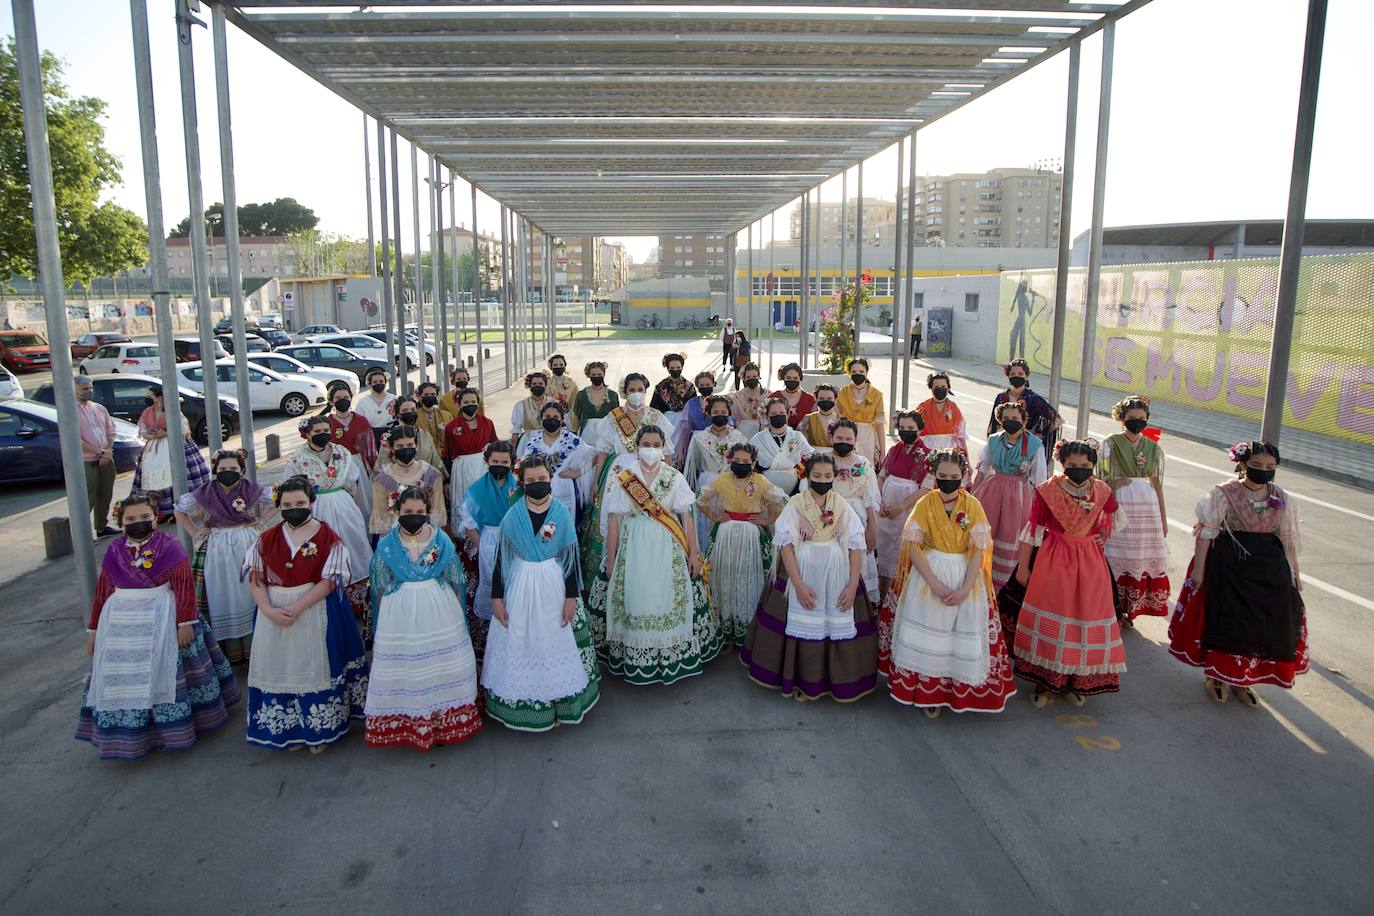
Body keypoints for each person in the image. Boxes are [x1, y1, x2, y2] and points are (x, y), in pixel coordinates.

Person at [76, 493, 239, 759]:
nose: (137, 522)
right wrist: (94, 630)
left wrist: (185, 623)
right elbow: (103, 590)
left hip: (162, 615)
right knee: (126, 678)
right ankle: (132, 734)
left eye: (144, 517)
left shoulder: (170, 546)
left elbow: (184, 586)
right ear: (121, 521)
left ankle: (172, 730)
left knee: (164, 675)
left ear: (155, 518)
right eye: (130, 518)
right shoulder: (115, 550)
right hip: (121, 625)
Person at [1168, 442, 1306, 706]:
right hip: (1229, 567)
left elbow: (1287, 538)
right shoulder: (1224, 493)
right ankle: (1218, 676)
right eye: (1256, 466)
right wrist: (1199, 570)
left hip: (1269, 572)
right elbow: (1206, 532)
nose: (1263, 471)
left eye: (1269, 467)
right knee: (1228, 622)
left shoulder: (1282, 497)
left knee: (1259, 626)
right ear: (1242, 465)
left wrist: (1295, 573)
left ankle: (1244, 679)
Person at [880, 450, 1015, 716]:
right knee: (929, 635)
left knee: (957, 637)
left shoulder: (973, 505)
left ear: (964, 476)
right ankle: (929, 693)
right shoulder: (925, 503)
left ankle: (953, 693)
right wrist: (935, 583)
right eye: (942, 476)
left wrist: (965, 587)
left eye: (954, 477)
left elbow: (978, 549)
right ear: (935, 475)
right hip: (928, 576)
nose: (948, 481)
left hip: (964, 576)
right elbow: (913, 546)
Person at [243, 476, 368, 751]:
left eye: (300, 502)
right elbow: (256, 577)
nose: (294, 508)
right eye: (287, 504)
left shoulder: (328, 537)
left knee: (314, 664)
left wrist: (298, 607)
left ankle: (319, 728)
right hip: (274, 611)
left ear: (312, 502)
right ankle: (290, 728)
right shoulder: (266, 538)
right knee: (282, 666)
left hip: (315, 608)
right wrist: (266, 610)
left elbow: (330, 580)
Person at [741, 453, 877, 702]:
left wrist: (852, 584)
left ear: (834, 476)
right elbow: (786, 546)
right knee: (801, 625)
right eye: (817, 476)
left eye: (828, 476)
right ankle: (802, 680)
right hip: (802, 573)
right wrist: (798, 585)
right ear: (807, 476)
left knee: (831, 625)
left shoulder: (841, 505)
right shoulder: (795, 504)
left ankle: (831, 679)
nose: (823, 480)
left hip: (837, 576)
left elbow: (856, 546)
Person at [592, 425, 721, 685]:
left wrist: (694, 555)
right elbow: (614, 520)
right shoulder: (625, 478)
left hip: (668, 546)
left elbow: (687, 517)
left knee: (666, 597)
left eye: (655, 445)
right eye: (646, 444)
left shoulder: (674, 477)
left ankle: (667, 657)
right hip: (633, 547)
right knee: (637, 596)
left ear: (663, 448)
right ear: (637, 447)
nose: (650, 449)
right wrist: (612, 556)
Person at [482, 456, 600, 731]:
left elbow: (570, 559)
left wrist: (571, 598)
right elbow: (502, 559)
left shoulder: (560, 512)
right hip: (519, 585)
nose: (538, 485)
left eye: (542, 480)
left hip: (553, 586)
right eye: (531, 481)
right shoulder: (513, 514)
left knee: (554, 642)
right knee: (522, 642)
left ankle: (560, 705)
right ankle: (525, 705)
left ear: (550, 480)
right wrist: (497, 599)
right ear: (522, 483)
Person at [1004, 439, 1125, 707]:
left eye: (1084, 465)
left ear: (1093, 465)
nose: (1079, 469)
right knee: (1057, 617)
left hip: (1090, 563)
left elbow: (1115, 517)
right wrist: (1023, 567)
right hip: (1054, 558)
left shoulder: (1102, 490)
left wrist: (1103, 536)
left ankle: (1075, 680)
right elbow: (1031, 530)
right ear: (1063, 464)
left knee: (1083, 619)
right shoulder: (1048, 490)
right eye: (1072, 465)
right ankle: (1045, 682)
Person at [366, 486, 481, 749]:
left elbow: (455, 578)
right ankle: (411, 721)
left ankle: (443, 721)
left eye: (420, 512)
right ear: (397, 512)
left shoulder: (441, 540)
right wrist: (386, 620)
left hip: (438, 608)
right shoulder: (386, 545)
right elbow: (380, 583)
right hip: (401, 612)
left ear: (428, 512)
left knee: (440, 663)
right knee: (409, 666)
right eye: (408, 512)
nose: (414, 516)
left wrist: (458, 613)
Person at [173, 448, 276, 665]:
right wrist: (194, 532)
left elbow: (277, 499)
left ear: (241, 470)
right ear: (214, 470)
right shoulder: (205, 492)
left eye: (233, 468)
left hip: (246, 540)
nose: (227, 472)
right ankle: (225, 652)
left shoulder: (251, 489)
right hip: (216, 546)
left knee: (247, 590)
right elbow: (179, 511)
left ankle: (255, 643)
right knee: (220, 590)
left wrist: (262, 521)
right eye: (222, 469)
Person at [582, 373, 673, 591]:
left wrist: (668, 477)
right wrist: (596, 481)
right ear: (624, 392)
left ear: (646, 390)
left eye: (640, 389)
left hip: (651, 471)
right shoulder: (614, 417)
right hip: (619, 474)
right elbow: (602, 451)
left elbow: (667, 451)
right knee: (614, 516)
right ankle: (612, 563)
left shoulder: (656, 416)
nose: (636, 394)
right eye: (632, 390)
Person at [284, 415, 374, 629]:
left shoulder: (341, 452)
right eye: (317, 431)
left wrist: (354, 503)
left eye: (326, 430)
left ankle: (359, 602)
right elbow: (289, 485)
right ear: (307, 433)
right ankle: (326, 598)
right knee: (321, 550)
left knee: (354, 545)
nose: (323, 434)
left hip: (343, 503)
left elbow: (353, 479)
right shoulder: (298, 458)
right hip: (316, 507)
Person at [697, 443, 785, 649]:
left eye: (746, 462)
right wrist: (714, 516)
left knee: (748, 578)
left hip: (751, 535)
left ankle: (748, 634)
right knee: (723, 576)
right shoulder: (722, 480)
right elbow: (701, 500)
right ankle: (725, 633)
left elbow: (780, 503)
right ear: (730, 461)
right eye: (737, 461)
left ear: (754, 463)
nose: (741, 464)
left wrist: (766, 520)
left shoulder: (761, 481)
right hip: (725, 534)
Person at [1099, 395, 1170, 626]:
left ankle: (1131, 610)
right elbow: (1101, 476)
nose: (1137, 422)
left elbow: (1158, 483)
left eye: (1141, 418)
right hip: (1120, 502)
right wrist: (1113, 484)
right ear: (1122, 419)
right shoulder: (1110, 443)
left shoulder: (1153, 448)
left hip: (1146, 506)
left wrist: (1163, 519)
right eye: (1132, 418)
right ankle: (1113, 609)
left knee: (1138, 556)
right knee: (1117, 554)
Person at [972, 401, 1047, 590]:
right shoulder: (994, 440)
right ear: (1000, 420)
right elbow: (983, 470)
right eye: (1006, 418)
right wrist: (971, 497)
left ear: (1023, 420)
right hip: (992, 492)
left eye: (1015, 418)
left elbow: (1040, 480)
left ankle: (1003, 586)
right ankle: (980, 579)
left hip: (1018, 497)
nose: (1010, 421)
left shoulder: (1035, 445)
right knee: (986, 532)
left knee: (1011, 535)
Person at [456, 442, 521, 658]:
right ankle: (488, 638)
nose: (500, 466)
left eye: (505, 462)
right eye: (495, 462)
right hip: (488, 538)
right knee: (490, 583)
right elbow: (468, 521)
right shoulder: (476, 489)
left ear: (512, 463)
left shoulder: (519, 487)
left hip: (515, 540)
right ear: (487, 461)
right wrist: (483, 545)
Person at [802, 419, 880, 600]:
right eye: (839, 437)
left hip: (856, 519)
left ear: (855, 440)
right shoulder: (820, 460)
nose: (843, 442)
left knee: (854, 560)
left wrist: (873, 527)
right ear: (831, 437)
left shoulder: (863, 464)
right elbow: (807, 492)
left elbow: (871, 498)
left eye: (848, 438)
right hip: (825, 517)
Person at [132, 384, 210, 521]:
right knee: (155, 477)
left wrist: (166, 433)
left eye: (150, 396)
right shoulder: (147, 412)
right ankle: (160, 511)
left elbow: (183, 431)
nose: (147, 399)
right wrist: (154, 435)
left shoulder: (173, 411)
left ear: (159, 397)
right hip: (154, 449)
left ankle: (182, 508)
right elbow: (142, 431)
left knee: (179, 476)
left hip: (175, 446)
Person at [876, 409, 931, 599]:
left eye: (911, 428)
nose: (906, 431)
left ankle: (895, 594)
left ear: (919, 429)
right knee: (882, 545)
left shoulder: (927, 455)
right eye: (903, 427)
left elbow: (926, 488)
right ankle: (879, 592)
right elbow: (882, 475)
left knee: (900, 548)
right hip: (886, 504)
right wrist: (880, 499)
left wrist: (902, 507)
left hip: (908, 507)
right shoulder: (894, 450)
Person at [683, 394, 749, 551]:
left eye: (723, 411)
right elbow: (695, 465)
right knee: (706, 522)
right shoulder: (699, 438)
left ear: (729, 413)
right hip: (707, 483)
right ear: (709, 413)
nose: (720, 415)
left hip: (732, 484)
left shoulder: (738, 437)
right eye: (715, 411)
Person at [516, 401, 590, 519]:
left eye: (555, 417)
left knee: (565, 526)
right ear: (541, 419)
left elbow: (593, 456)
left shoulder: (572, 440)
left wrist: (577, 473)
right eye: (548, 417)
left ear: (561, 420)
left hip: (565, 493)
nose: (552, 419)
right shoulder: (533, 443)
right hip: (539, 495)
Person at [371, 426, 446, 535]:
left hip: (426, 532)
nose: (405, 449)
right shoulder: (382, 479)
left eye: (410, 445)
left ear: (416, 446)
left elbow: (437, 511)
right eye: (400, 446)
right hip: (395, 535)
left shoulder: (431, 474)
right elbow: (381, 515)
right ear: (392, 448)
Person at [444, 387, 499, 519]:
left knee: (485, 501)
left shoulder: (488, 423)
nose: (470, 405)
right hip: (462, 469)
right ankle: (465, 535)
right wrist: (448, 478)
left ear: (478, 402)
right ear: (460, 404)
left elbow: (495, 446)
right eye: (466, 402)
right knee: (465, 502)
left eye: (473, 402)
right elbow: (447, 453)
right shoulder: (451, 427)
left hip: (483, 468)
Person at [325, 385, 378, 520]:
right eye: (338, 398)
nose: (342, 400)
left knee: (364, 500)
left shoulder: (361, 420)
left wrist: (373, 468)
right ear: (331, 401)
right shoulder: (327, 422)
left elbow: (370, 447)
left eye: (346, 397)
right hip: (336, 465)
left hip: (359, 463)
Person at [76, 375, 119, 538]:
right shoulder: (71, 411)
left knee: (105, 494)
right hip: (87, 462)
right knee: (88, 497)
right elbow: (75, 440)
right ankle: (82, 535)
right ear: (75, 389)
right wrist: (99, 452)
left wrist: (107, 451)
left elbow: (111, 431)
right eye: (85, 389)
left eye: (91, 388)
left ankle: (101, 526)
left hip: (106, 459)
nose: (89, 392)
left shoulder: (99, 408)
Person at [987, 360, 1059, 456]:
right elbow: (994, 423)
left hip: (1025, 446)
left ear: (1027, 376)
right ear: (1008, 375)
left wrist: (1033, 433)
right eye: (1013, 373)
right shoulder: (1001, 397)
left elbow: (1054, 419)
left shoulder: (1034, 399)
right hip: (1003, 443)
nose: (1016, 376)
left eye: (1020, 373)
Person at [751, 396, 812, 495]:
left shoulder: (797, 436)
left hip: (795, 488)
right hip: (767, 489)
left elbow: (809, 458)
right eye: (773, 413)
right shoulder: (757, 440)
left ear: (787, 415)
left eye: (781, 413)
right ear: (767, 416)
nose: (778, 416)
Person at [836, 357, 886, 465]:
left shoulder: (877, 395)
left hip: (868, 438)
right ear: (849, 373)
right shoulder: (842, 393)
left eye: (861, 371)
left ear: (867, 372)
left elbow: (880, 426)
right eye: (854, 372)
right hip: (847, 436)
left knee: (865, 469)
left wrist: (883, 453)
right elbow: (835, 418)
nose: (857, 374)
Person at [379, 394, 442, 470]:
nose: (410, 413)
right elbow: (383, 465)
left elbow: (435, 461)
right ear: (398, 413)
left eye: (413, 410)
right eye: (405, 410)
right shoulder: (388, 438)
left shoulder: (425, 435)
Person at [916, 372, 968, 456]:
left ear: (948, 387)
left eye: (943, 387)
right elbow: (915, 431)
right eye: (936, 387)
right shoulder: (923, 407)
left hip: (950, 449)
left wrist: (967, 462)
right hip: (928, 447)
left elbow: (961, 436)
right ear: (931, 388)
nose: (940, 389)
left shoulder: (953, 407)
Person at [675, 370, 719, 466]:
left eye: (708, 385)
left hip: (716, 444)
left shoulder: (720, 402)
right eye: (701, 385)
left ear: (713, 384)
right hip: (696, 444)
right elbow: (684, 430)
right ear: (697, 387)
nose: (705, 388)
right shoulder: (691, 403)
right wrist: (681, 452)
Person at [650, 352, 693, 442]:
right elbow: (654, 408)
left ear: (682, 367)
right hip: (665, 423)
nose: (675, 370)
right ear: (668, 368)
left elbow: (692, 408)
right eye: (672, 368)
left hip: (683, 423)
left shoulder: (689, 386)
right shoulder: (660, 387)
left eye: (678, 367)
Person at [413, 380, 453, 469]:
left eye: (432, 394)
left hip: (444, 458)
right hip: (423, 460)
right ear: (419, 397)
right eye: (426, 395)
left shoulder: (446, 415)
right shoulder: (414, 416)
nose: (429, 397)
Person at [571, 360, 618, 438]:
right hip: (586, 437)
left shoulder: (613, 396)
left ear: (604, 374)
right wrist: (574, 434)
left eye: (599, 374)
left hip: (607, 437)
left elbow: (617, 418)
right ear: (589, 375)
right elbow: (576, 417)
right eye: (593, 374)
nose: (596, 377)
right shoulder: (582, 395)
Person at [510, 370, 555, 446]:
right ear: (530, 386)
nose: (537, 386)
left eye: (540, 383)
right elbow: (516, 430)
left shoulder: (553, 403)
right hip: (528, 442)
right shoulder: (520, 405)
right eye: (534, 384)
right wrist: (513, 448)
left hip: (550, 442)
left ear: (545, 385)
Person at [356, 368, 397, 447]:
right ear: (370, 384)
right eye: (375, 382)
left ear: (385, 382)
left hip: (391, 435)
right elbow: (358, 422)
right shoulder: (362, 402)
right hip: (370, 438)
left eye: (381, 381)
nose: (378, 384)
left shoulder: (394, 399)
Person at [769, 362, 815, 429]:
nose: (792, 380)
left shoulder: (810, 399)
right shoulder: (774, 397)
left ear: (800, 378)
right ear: (783, 378)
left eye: (795, 378)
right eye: (788, 378)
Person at [730, 362, 767, 438]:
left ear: (759, 376)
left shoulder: (767, 394)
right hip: (744, 434)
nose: (751, 379)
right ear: (744, 378)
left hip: (764, 434)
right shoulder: (737, 397)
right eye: (748, 377)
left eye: (754, 376)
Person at [800, 384, 841, 449]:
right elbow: (800, 443)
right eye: (821, 398)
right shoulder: (807, 419)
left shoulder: (842, 421)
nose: (825, 400)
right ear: (816, 399)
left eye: (829, 398)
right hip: (813, 456)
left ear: (835, 399)